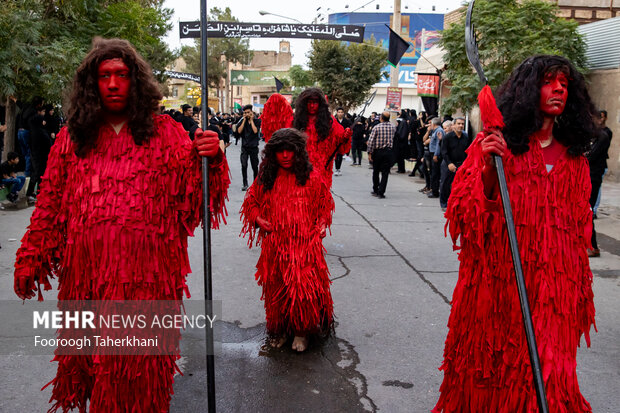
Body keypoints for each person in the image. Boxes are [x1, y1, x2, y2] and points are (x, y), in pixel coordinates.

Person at [13, 37, 230, 412]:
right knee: (93, 368)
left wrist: (210, 159)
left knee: (139, 371)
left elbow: (196, 201)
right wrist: (31, 254)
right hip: (86, 280)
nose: (113, 84)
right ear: (91, 84)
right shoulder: (71, 139)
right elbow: (49, 205)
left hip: (147, 282)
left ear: (137, 82)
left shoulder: (166, 133)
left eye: (122, 75)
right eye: (104, 76)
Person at [433, 55, 597, 412]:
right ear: (526, 91)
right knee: (492, 372)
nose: (558, 89)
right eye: (548, 82)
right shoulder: (493, 147)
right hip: (497, 286)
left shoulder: (575, 161)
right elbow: (461, 218)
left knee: (548, 379)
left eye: (564, 84)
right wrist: (491, 176)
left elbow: (578, 232)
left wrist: (577, 289)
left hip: (554, 294)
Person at [240, 128, 334, 352]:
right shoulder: (266, 177)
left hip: (304, 247)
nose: (284, 155)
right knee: (276, 290)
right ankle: (280, 330)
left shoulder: (311, 177)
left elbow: (325, 204)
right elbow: (250, 202)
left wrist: (322, 223)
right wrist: (258, 219)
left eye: (289, 150)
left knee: (303, 291)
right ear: (272, 153)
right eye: (280, 151)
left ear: (298, 152)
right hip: (275, 246)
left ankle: (302, 332)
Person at [293, 88, 350, 190]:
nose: (312, 106)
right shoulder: (296, 120)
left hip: (322, 170)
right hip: (299, 170)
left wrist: (345, 138)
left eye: (315, 102)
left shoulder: (330, 121)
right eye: (309, 102)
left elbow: (341, 145)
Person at [586, 112, 611, 257]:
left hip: (594, 177)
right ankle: (591, 246)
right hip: (590, 176)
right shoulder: (595, 137)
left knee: (588, 210)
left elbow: (590, 156)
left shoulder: (603, 136)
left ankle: (593, 246)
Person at [439, 117, 469, 211]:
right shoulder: (447, 137)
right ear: (453, 125)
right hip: (448, 163)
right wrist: (449, 163)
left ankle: (457, 203)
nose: (461, 126)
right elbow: (444, 152)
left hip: (461, 164)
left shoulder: (466, 137)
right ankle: (444, 203)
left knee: (460, 185)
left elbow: (468, 151)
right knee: (445, 184)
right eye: (459, 123)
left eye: (462, 124)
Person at [25, 106, 52, 203]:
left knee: (39, 174)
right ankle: (30, 193)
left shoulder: (34, 130)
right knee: (37, 174)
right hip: (40, 156)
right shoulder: (40, 131)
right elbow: (47, 142)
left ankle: (37, 192)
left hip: (37, 155)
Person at [367, 111, 396, 199]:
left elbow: (371, 141)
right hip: (388, 152)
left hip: (378, 152)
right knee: (385, 173)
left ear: (381, 118)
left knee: (376, 171)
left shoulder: (376, 127)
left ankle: (376, 189)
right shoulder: (393, 127)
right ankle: (381, 192)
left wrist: (369, 152)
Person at [592, 109, 612, 219]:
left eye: (602, 117)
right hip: (593, 167)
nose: (600, 119)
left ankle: (594, 210)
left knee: (597, 188)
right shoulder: (593, 132)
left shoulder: (606, 133)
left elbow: (597, 150)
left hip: (599, 166)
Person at [237, 104, 261, 191]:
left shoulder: (257, 121)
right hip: (244, 147)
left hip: (254, 147)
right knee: (244, 165)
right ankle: (245, 183)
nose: (247, 114)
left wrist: (251, 120)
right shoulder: (242, 121)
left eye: (248, 112)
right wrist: (244, 120)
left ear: (252, 112)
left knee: (255, 166)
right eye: (245, 113)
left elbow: (255, 131)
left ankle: (255, 183)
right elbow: (239, 131)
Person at [424, 117, 444, 198]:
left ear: (433, 124)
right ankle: (433, 190)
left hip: (435, 154)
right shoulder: (435, 131)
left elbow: (438, 145)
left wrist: (436, 154)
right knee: (433, 173)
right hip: (432, 153)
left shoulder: (439, 131)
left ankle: (435, 191)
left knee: (435, 174)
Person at [334, 107, 351, 176]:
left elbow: (349, 130)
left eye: (341, 112)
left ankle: (338, 169)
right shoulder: (334, 121)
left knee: (340, 155)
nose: (340, 113)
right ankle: (336, 168)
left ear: (343, 113)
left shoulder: (346, 121)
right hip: (335, 141)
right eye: (339, 112)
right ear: (337, 113)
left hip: (343, 141)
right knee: (336, 155)